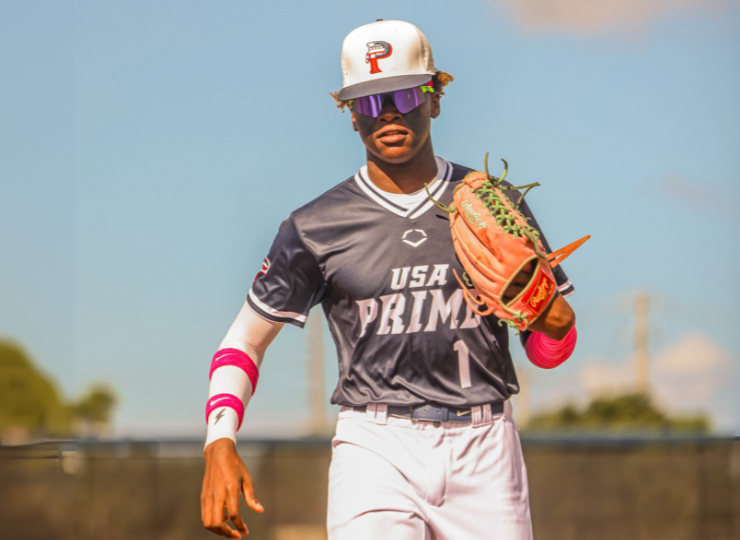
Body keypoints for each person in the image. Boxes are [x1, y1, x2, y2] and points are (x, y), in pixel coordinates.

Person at [200, 19, 577, 540]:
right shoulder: (315, 226)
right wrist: (220, 439)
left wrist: (554, 326)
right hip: (375, 444)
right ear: (352, 116)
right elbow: (245, 339)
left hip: (485, 444)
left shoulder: (495, 204)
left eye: (403, 94)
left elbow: (547, 345)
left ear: (435, 99)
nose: (389, 113)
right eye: (370, 101)